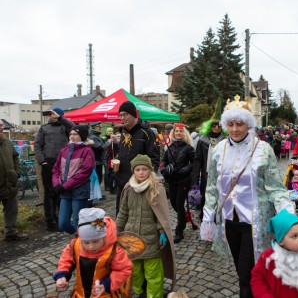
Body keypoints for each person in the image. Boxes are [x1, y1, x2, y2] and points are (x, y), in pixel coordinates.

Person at [201, 95, 294, 298]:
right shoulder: (218, 150)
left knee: (246, 276)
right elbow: (211, 188)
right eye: (231, 124)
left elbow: (275, 187)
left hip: (254, 222)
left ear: (248, 124)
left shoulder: (263, 150)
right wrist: (207, 217)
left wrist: (287, 215)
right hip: (228, 221)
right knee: (241, 270)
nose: (235, 129)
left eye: (240, 124)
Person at [116, 154, 176, 298]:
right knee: (134, 270)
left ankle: (154, 295)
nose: (141, 172)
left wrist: (162, 231)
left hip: (151, 239)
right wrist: (117, 228)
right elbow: (123, 211)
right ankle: (139, 291)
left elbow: (160, 215)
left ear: (150, 170)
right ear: (133, 171)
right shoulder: (128, 188)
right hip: (132, 239)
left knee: (153, 272)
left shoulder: (156, 188)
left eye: (144, 169)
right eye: (137, 169)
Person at [54, 208, 133, 297]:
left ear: (103, 237)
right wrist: (62, 275)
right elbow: (66, 259)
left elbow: (123, 269)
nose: (91, 246)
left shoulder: (113, 250)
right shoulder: (75, 245)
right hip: (81, 294)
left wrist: (106, 285)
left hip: (105, 293)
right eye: (86, 242)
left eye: (95, 241)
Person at [114, 101, 159, 216]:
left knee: (136, 216)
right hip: (122, 181)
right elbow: (122, 153)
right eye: (121, 115)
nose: (122, 118)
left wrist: (148, 180)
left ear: (134, 114)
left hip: (139, 183)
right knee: (120, 214)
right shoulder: (123, 132)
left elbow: (154, 158)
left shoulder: (146, 132)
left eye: (125, 114)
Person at [34, 107, 74, 231]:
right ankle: (50, 222)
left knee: (60, 191)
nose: (50, 116)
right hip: (48, 163)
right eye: (50, 114)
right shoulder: (44, 128)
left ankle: (61, 219)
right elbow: (37, 145)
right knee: (49, 193)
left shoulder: (65, 127)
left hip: (62, 164)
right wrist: (42, 161)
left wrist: (60, 118)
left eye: (53, 114)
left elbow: (73, 128)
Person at [52, 125, 96, 234]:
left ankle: (79, 244)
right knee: (62, 223)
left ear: (82, 136)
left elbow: (85, 172)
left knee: (78, 222)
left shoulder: (87, 151)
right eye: (70, 134)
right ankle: (78, 236)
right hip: (64, 191)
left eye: (75, 134)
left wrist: (65, 186)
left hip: (79, 191)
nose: (72, 136)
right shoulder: (64, 151)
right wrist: (56, 184)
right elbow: (56, 169)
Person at [160, 123, 195, 244]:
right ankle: (184, 216)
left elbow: (193, 163)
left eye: (181, 131)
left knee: (179, 204)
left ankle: (179, 230)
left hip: (183, 180)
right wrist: (164, 169)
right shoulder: (170, 146)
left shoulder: (189, 148)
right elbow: (164, 160)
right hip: (172, 179)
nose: (178, 133)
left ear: (184, 133)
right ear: (173, 133)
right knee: (173, 202)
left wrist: (185, 169)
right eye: (176, 131)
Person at [192, 118, 226, 221]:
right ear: (209, 127)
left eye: (219, 125)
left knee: (221, 195)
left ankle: (219, 217)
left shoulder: (225, 140)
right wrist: (196, 177)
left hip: (222, 173)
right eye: (214, 125)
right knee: (205, 196)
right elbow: (198, 159)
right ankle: (205, 217)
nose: (216, 128)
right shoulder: (202, 140)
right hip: (206, 174)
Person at [0, 119, 28, 241]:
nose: (2, 127)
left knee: (11, 209)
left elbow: (15, 157)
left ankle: (10, 233)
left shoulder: (7, 142)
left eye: (1, 124)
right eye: (0, 125)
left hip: (9, 182)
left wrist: (16, 173)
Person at [88, 122, 106, 187]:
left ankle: (98, 194)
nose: (100, 128)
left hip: (99, 161)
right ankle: (95, 195)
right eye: (98, 126)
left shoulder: (96, 136)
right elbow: (99, 147)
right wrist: (108, 142)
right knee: (97, 178)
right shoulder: (93, 137)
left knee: (99, 178)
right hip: (96, 161)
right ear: (93, 127)